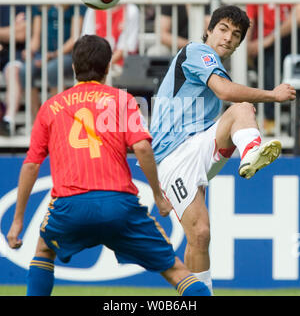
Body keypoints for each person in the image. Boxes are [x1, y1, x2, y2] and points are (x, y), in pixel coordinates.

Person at [6, 34, 211, 297]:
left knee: (44, 250)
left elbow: (31, 165)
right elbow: (142, 147)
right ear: (107, 67)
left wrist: (18, 221)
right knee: (176, 271)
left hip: (69, 206)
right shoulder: (122, 101)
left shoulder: (51, 107)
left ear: (72, 67)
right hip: (120, 206)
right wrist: (159, 198)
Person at [149, 5, 296, 295]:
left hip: (197, 144)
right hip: (171, 156)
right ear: (209, 30)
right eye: (223, 29)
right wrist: (273, 95)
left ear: (239, 44)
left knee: (241, 110)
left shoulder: (213, 64)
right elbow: (225, 91)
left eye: (236, 35)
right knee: (200, 234)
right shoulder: (196, 52)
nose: (228, 38)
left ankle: (251, 150)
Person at [15, 0, 85, 119]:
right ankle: (39, 119)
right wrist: (30, 50)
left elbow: (75, 37)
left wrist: (54, 54)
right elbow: (36, 36)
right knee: (24, 70)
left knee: (53, 68)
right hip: (44, 53)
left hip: (66, 54)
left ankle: (57, 119)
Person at [246, 0, 300, 134]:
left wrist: (268, 39)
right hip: (263, 52)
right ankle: (270, 120)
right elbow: (248, 23)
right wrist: (247, 48)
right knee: (268, 57)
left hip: (290, 43)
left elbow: (298, 15)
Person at [0, 0, 34, 136]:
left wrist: (15, 31)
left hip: (15, 53)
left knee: (14, 70)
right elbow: (16, 31)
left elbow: (22, 34)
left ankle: (9, 121)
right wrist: (11, 30)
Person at [81, 2, 139, 78]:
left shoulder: (131, 10)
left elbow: (127, 47)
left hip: (121, 66)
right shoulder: (92, 9)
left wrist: (103, 65)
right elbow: (86, 42)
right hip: (95, 64)